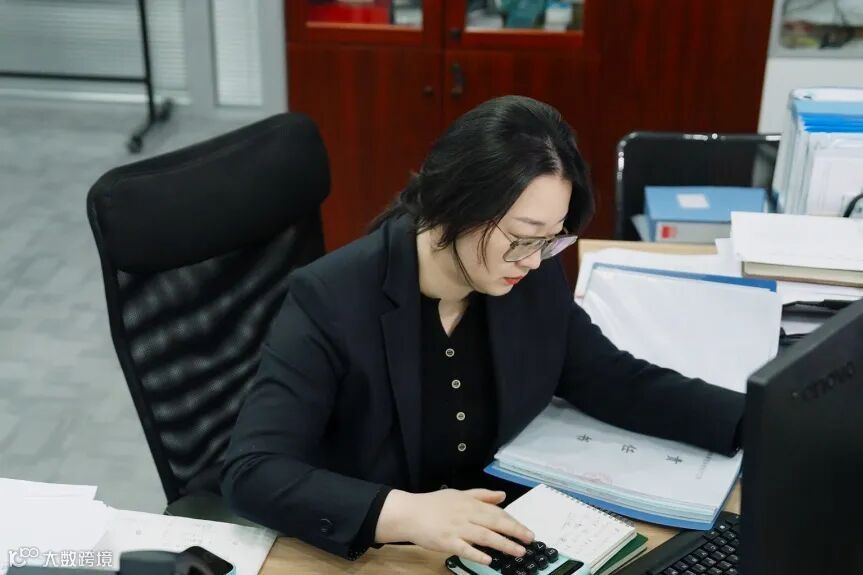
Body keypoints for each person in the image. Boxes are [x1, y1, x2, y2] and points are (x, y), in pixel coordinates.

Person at [220, 95, 743, 564]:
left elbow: (608, 376)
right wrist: (403, 513)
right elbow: (252, 471)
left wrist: (759, 421)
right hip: (386, 554)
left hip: (498, 540)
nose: (535, 260)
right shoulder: (331, 299)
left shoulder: (525, 270)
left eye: (552, 239)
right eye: (522, 237)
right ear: (453, 206)